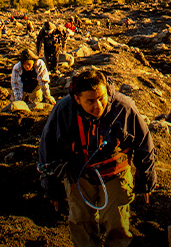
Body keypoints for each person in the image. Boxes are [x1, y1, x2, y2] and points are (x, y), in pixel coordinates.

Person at [37, 68, 156, 247]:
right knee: (80, 223)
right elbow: (48, 150)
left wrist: (146, 180)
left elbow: (144, 143)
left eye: (101, 98)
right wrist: (52, 187)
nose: (98, 106)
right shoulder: (63, 110)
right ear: (77, 99)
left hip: (115, 173)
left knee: (117, 224)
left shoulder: (123, 108)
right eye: (90, 101)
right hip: (78, 175)